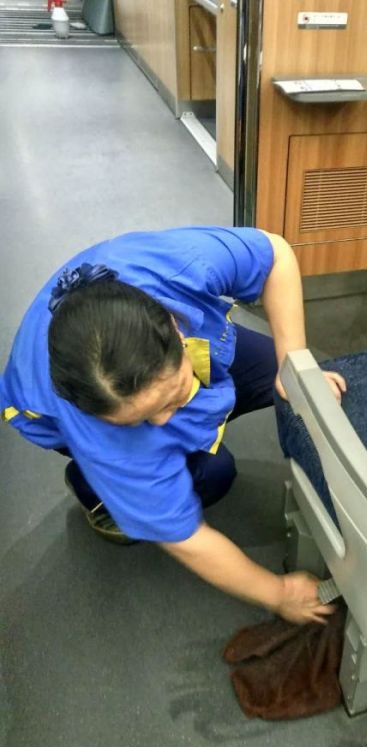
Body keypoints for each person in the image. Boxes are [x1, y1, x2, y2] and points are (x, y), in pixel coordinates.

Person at [0, 226, 346, 625]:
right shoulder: (97, 430)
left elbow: (276, 255)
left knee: (283, 374)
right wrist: (278, 594)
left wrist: (294, 365)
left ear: (175, 327)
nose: (164, 422)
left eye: (171, 398)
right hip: (55, 410)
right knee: (214, 474)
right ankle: (93, 486)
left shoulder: (178, 265)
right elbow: (184, 537)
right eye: (141, 420)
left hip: (145, 336)